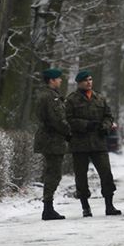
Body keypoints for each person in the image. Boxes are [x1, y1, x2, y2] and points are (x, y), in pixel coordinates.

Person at [65, 70, 121, 217]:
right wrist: (86, 125)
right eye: (85, 80)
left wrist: (105, 126)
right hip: (80, 143)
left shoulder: (99, 98)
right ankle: (85, 206)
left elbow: (109, 116)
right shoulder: (71, 100)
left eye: (90, 80)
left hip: (98, 142)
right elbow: (68, 120)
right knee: (81, 176)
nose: (89, 82)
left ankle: (109, 205)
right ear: (79, 83)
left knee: (106, 174)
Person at [33, 68, 72, 220]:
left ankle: (48, 207)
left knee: (52, 173)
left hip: (53, 139)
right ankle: (48, 208)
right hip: (52, 140)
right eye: (58, 78)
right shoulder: (50, 97)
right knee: (53, 174)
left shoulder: (51, 96)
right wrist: (68, 132)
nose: (60, 80)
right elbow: (56, 120)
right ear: (51, 80)